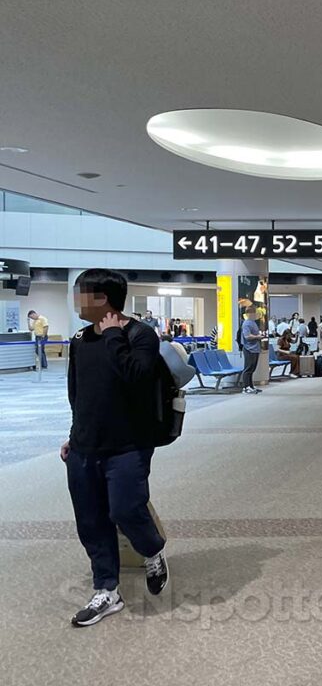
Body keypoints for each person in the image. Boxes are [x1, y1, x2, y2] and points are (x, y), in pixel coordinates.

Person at [60, 268, 169, 627]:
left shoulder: (140, 335)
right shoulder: (78, 339)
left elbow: (136, 376)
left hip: (128, 445)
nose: (76, 302)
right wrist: (74, 436)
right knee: (90, 521)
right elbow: (79, 394)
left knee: (125, 509)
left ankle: (151, 550)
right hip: (84, 447)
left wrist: (112, 337)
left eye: (81, 295)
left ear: (102, 299)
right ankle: (107, 589)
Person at [240, 305, 264, 394]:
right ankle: (246, 387)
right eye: (254, 313)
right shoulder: (246, 323)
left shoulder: (253, 322)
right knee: (248, 369)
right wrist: (258, 336)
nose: (255, 314)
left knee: (252, 369)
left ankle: (251, 386)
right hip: (249, 349)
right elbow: (247, 336)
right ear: (249, 314)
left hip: (255, 348)